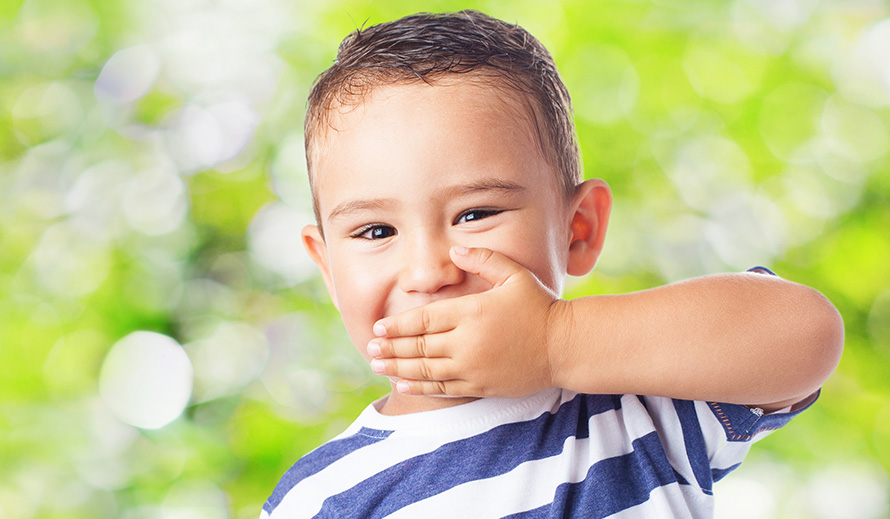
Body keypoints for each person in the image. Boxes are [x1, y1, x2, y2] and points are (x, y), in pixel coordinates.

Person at [261, 10, 844, 518]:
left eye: (476, 213)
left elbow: (806, 332)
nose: (429, 270)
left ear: (578, 229)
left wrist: (555, 342)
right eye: (376, 230)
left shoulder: (637, 404)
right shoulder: (318, 499)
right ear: (329, 269)